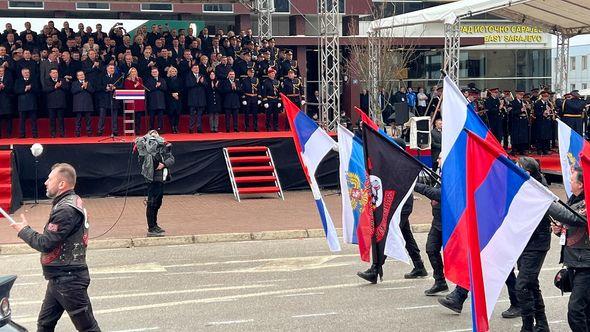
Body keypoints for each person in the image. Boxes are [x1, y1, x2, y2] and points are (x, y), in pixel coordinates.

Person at [9, 163, 101, 332]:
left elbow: (45, 243)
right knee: (45, 324)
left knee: (88, 328)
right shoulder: (70, 202)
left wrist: (24, 230)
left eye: (49, 179)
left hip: (69, 280)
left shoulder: (65, 209)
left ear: (61, 184)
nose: (45, 182)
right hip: (60, 277)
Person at [358, 138, 427, 283]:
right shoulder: (396, 161)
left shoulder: (403, 162)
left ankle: (375, 269)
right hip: (397, 203)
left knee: (387, 233)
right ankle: (419, 265)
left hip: (401, 204)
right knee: (406, 234)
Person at [547, 166, 590, 332]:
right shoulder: (574, 199)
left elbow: (572, 217)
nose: (569, 182)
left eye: (572, 180)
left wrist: (546, 202)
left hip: (586, 266)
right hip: (575, 263)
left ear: (580, 184)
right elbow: (570, 225)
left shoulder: (588, 203)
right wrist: (560, 230)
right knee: (586, 311)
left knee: (575, 311)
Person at [514, 157, 551, 332]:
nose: (513, 169)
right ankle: (542, 324)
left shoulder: (537, 190)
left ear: (526, 173)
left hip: (536, 243)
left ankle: (527, 327)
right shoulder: (527, 184)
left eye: (517, 167)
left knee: (522, 285)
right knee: (531, 283)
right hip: (524, 240)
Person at [414, 161, 447, 295]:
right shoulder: (440, 175)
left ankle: (463, 289)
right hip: (437, 222)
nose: (438, 160)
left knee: (460, 257)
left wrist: (414, 185)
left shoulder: (455, 176)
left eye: (440, 158)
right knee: (431, 249)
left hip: (451, 224)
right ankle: (440, 281)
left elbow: (437, 193)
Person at [135, 130, 175, 237]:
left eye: (156, 134)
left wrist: (164, 164)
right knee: (151, 202)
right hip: (152, 179)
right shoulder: (147, 150)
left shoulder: (164, 147)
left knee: (158, 202)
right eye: (152, 135)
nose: (155, 137)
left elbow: (171, 159)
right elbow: (143, 158)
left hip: (161, 178)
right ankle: (151, 227)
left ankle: (155, 225)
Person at [96, 64, 123, 136]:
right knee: (102, 116)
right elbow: (98, 86)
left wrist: (115, 87)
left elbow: (121, 86)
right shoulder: (101, 76)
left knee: (114, 117)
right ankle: (100, 131)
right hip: (104, 99)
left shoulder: (117, 77)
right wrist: (106, 88)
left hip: (114, 99)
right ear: (107, 69)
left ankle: (115, 131)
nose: (112, 70)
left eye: (113, 68)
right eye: (111, 68)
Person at [43, 68, 69, 138]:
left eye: (56, 72)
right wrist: (55, 87)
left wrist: (61, 86)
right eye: (53, 73)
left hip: (61, 103)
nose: (55, 74)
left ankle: (62, 133)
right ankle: (53, 134)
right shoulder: (47, 81)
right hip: (51, 104)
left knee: (61, 119)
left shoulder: (62, 80)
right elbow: (45, 90)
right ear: (50, 74)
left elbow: (67, 88)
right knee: (52, 120)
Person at [14, 67, 39, 138]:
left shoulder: (33, 80)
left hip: (32, 103)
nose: (27, 74)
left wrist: (31, 88)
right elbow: (16, 91)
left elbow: (38, 90)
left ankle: (35, 135)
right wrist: (24, 89)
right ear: (22, 73)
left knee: (33, 120)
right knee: (22, 120)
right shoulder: (18, 81)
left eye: (28, 72)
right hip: (22, 104)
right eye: (25, 73)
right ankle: (22, 135)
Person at [71, 70, 95, 137]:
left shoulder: (88, 82)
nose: (82, 76)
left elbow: (93, 91)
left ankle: (89, 133)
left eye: (83, 75)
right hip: (78, 105)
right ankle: (77, 133)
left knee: (88, 120)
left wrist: (86, 87)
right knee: (78, 120)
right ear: (77, 77)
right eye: (80, 75)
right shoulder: (74, 83)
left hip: (88, 104)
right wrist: (82, 87)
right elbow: (73, 91)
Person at [184, 64, 207, 133]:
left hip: (201, 98)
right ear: (192, 69)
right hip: (192, 98)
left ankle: (199, 128)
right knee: (192, 114)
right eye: (195, 68)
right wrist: (196, 81)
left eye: (197, 68)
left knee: (200, 115)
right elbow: (187, 85)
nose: (196, 69)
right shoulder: (188, 76)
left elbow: (206, 85)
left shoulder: (202, 76)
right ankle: (191, 129)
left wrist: (203, 82)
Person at [144, 67, 167, 131]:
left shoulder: (162, 79)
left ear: (158, 72)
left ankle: (160, 128)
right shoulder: (148, 80)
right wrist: (156, 86)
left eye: (155, 72)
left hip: (160, 100)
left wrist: (160, 86)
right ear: (151, 73)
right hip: (152, 100)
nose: (154, 73)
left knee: (160, 116)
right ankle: (151, 128)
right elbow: (148, 89)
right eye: (153, 72)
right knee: (152, 116)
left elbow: (165, 88)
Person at [123, 68, 145, 135]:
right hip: (131, 101)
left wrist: (138, 86)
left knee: (138, 117)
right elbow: (127, 89)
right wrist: (135, 86)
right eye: (132, 72)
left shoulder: (139, 79)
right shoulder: (127, 80)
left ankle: (138, 131)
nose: (133, 73)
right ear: (129, 73)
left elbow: (142, 88)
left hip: (139, 101)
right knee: (132, 116)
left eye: (135, 72)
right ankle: (132, 130)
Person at [533, 91, 553, 155]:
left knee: (546, 136)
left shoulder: (549, 103)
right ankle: (539, 149)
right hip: (540, 121)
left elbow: (551, 110)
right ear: (542, 96)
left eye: (547, 96)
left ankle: (545, 149)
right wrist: (542, 114)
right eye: (544, 96)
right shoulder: (538, 103)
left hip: (547, 121)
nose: (546, 98)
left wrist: (550, 112)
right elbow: (536, 113)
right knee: (540, 136)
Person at [510, 90, 530, 155]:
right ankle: (514, 150)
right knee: (516, 136)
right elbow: (512, 113)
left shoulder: (524, 102)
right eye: (520, 95)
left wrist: (528, 108)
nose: (521, 96)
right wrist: (520, 110)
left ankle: (522, 149)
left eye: (522, 95)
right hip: (516, 121)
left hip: (523, 121)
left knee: (523, 136)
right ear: (516, 95)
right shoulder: (513, 102)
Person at [241, 67, 259, 132]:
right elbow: (242, 90)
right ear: (248, 73)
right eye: (250, 72)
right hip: (247, 97)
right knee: (247, 113)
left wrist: (259, 98)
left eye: (253, 72)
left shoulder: (256, 79)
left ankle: (255, 126)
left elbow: (259, 89)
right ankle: (247, 126)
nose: (252, 73)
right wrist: (243, 99)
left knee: (255, 113)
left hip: (255, 97)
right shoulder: (244, 80)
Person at [165, 66, 182, 134]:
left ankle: (176, 126)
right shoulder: (167, 79)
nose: (174, 72)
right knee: (171, 113)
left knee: (177, 113)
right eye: (172, 71)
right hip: (170, 98)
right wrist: (172, 94)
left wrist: (177, 94)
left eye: (175, 71)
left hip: (178, 98)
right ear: (169, 72)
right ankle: (172, 127)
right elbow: (166, 89)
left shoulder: (179, 79)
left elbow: (182, 88)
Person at [0, 66, 14, 138]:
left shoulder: (8, 79)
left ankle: (9, 134)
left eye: (2, 71)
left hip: (7, 101)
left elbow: (12, 89)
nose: (1, 73)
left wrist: (4, 87)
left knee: (8, 119)